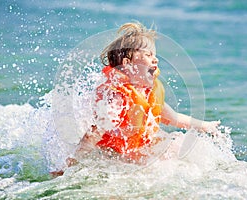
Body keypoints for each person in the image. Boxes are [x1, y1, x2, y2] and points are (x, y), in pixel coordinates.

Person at [69, 21, 220, 165]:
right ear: (128, 65)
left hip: (137, 154)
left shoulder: (146, 93)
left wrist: (205, 126)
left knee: (177, 147)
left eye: (155, 55)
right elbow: (97, 129)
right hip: (114, 158)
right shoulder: (118, 96)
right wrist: (71, 162)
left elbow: (173, 118)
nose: (155, 60)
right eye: (148, 55)